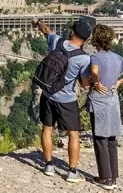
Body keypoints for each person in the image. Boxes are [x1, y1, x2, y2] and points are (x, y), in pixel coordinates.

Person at [81, 24, 123, 191]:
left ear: (96, 39)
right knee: (111, 138)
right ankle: (113, 176)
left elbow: (94, 71)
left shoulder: (95, 58)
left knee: (100, 138)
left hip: (99, 99)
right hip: (113, 99)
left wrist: (96, 81)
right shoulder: (117, 58)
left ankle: (105, 178)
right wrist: (121, 81)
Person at [34, 18, 93, 183]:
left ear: (72, 32)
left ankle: (48, 165)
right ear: (86, 39)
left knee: (47, 130)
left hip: (47, 94)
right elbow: (84, 83)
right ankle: (72, 171)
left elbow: (46, 30)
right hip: (66, 100)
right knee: (73, 134)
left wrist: (38, 23)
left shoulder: (57, 42)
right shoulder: (84, 58)